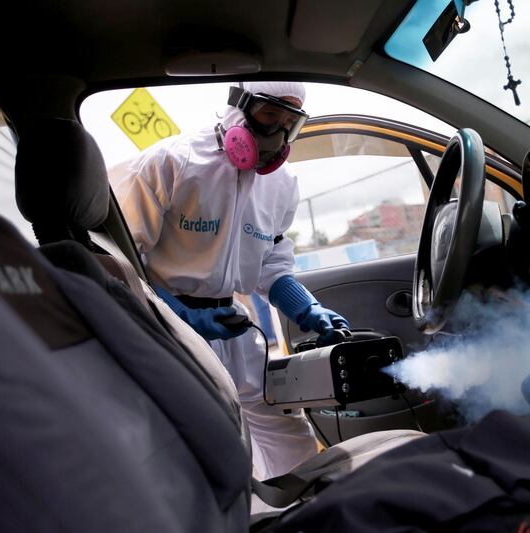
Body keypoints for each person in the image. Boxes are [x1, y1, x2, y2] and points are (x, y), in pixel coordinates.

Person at [110, 81, 350, 480]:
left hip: (232, 326)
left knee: (287, 432)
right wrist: (177, 314)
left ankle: (306, 511)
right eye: (269, 116)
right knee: (212, 444)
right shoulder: (173, 162)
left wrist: (307, 308)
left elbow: (271, 262)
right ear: (238, 106)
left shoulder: (281, 184)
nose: (277, 133)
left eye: (289, 123)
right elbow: (121, 260)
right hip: (168, 326)